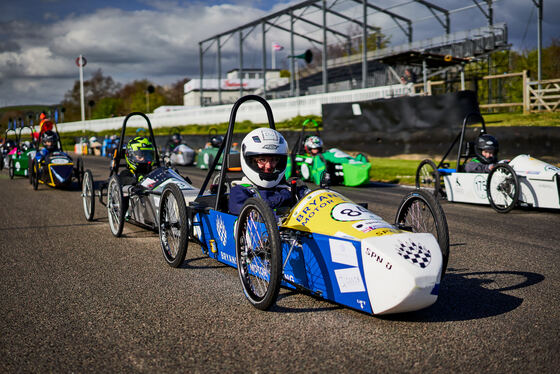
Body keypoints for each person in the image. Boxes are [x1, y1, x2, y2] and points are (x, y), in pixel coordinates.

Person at [228, 128, 308, 215]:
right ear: (252, 161)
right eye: (262, 160)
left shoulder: (287, 187)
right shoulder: (239, 191)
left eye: (274, 160)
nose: (269, 166)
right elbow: (254, 214)